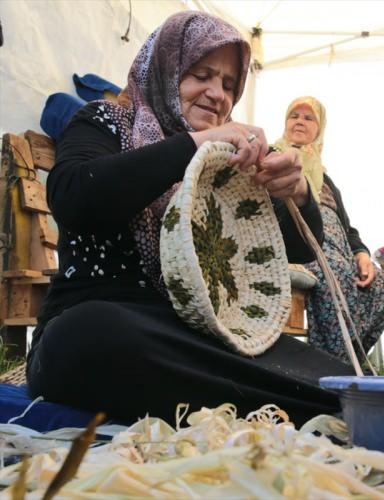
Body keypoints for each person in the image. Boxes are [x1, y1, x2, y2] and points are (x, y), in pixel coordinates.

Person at [26, 11, 353, 425]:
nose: (218, 94)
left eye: (229, 85)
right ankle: (303, 407)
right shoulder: (106, 121)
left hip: (203, 338)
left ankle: (334, 404)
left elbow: (300, 248)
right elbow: (75, 196)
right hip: (115, 327)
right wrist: (193, 144)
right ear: (166, 68)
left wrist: (299, 192)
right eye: (201, 75)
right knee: (85, 336)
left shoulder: (231, 160)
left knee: (335, 377)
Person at [273, 97, 384, 363]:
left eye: (308, 118)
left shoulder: (325, 179)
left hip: (340, 251)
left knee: (382, 281)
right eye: (294, 115)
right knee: (336, 272)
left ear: (319, 129)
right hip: (301, 245)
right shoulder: (273, 158)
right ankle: (328, 362)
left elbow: (347, 227)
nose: (300, 121)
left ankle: (350, 360)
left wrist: (361, 254)